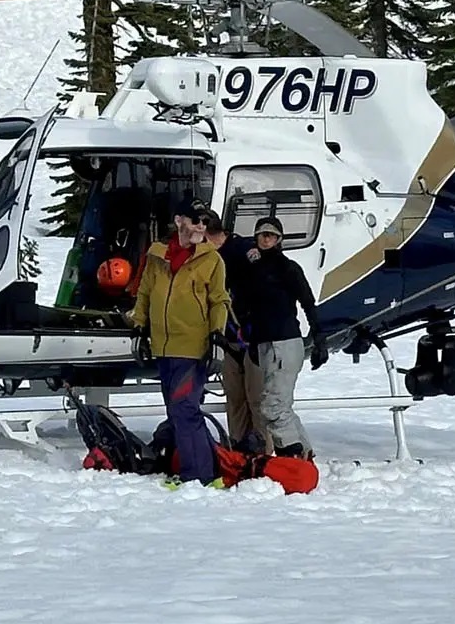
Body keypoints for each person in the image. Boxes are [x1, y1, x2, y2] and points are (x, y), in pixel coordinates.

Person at [131, 204, 230, 484]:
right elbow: (145, 293)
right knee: (177, 412)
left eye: (204, 222)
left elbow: (219, 300)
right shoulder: (157, 256)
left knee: (184, 410)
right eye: (195, 220)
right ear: (179, 221)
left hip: (192, 347)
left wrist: (216, 336)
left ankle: (199, 476)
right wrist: (139, 327)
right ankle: (203, 467)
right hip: (163, 346)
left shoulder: (212, 260)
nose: (201, 226)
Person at [230, 214, 324, 458]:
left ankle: (289, 456)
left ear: (279, 239)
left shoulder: (288, 268)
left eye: (271, 235)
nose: (266, 238)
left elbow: (308, 303)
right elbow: (243, 303)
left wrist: (319, 337)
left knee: (273, 407)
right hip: (263, 344)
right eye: (262, 234)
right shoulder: (250, 270)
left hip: (285, 342)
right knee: (279, 405)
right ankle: (304, 455)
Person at [199, 211, 260, 450]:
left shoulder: (242, 249)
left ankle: (260, 448)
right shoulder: (208, 257)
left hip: (252, 336)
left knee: (256, 398)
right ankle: (237, 445)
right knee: (235, 398)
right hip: (228, 338)